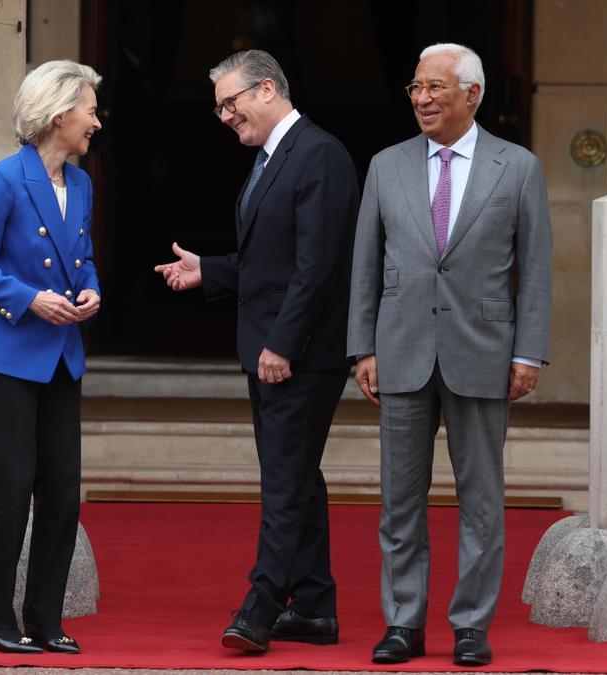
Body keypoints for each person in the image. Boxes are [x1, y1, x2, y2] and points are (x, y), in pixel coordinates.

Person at [346, 43, 552, 667]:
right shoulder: (386, 165)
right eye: (415, 88)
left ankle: (470, 626)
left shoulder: (516, 167)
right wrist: (362, 347)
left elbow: (536, 270)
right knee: (398, 503)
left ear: (473, 95)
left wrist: (530, 354)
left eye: (435, 87)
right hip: (401, 352)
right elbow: (365, 263)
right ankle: (404, 624)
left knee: (482, 503)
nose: (422, 98)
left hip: (484, 352)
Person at [154, 49, 359, 654]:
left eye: (230, 102)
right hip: (275, 347)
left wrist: (282, 345)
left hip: (300, 354)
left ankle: (262, 605)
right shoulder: (275, 156)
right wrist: (210, 271)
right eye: (219, 106)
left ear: (266, 89)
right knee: (298, 478)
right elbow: (273, 261)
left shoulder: (318, 154)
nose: (224, 116)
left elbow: (318, 267)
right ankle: (316, 607)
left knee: (284, 482)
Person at [0, 59, 103, 655]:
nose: (96, 121)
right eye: (90, 109)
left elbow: (81, 257)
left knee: (62, 493)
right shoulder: (2, 180)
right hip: (5, 359)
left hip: (61, 357)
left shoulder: (83, 184)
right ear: (59, 113)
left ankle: (44, 617)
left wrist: (91, 288)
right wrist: (29, 299)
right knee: (11, 491)